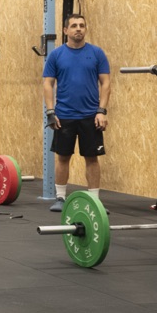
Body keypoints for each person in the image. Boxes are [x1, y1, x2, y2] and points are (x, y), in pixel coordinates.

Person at [43, 14, 110, 212]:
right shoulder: (56, 55)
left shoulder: (97, 53)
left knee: (92, 158)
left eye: (81, 25)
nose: (78, 29)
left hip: (91, 115)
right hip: (64, 115)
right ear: (66, 31)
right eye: (73, 26)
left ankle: (95, 200)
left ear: (85, 29)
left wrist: (102, 111)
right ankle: (61, 198)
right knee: (63, 157)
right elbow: (48, 83)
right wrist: (50, 111)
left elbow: (106, 83)